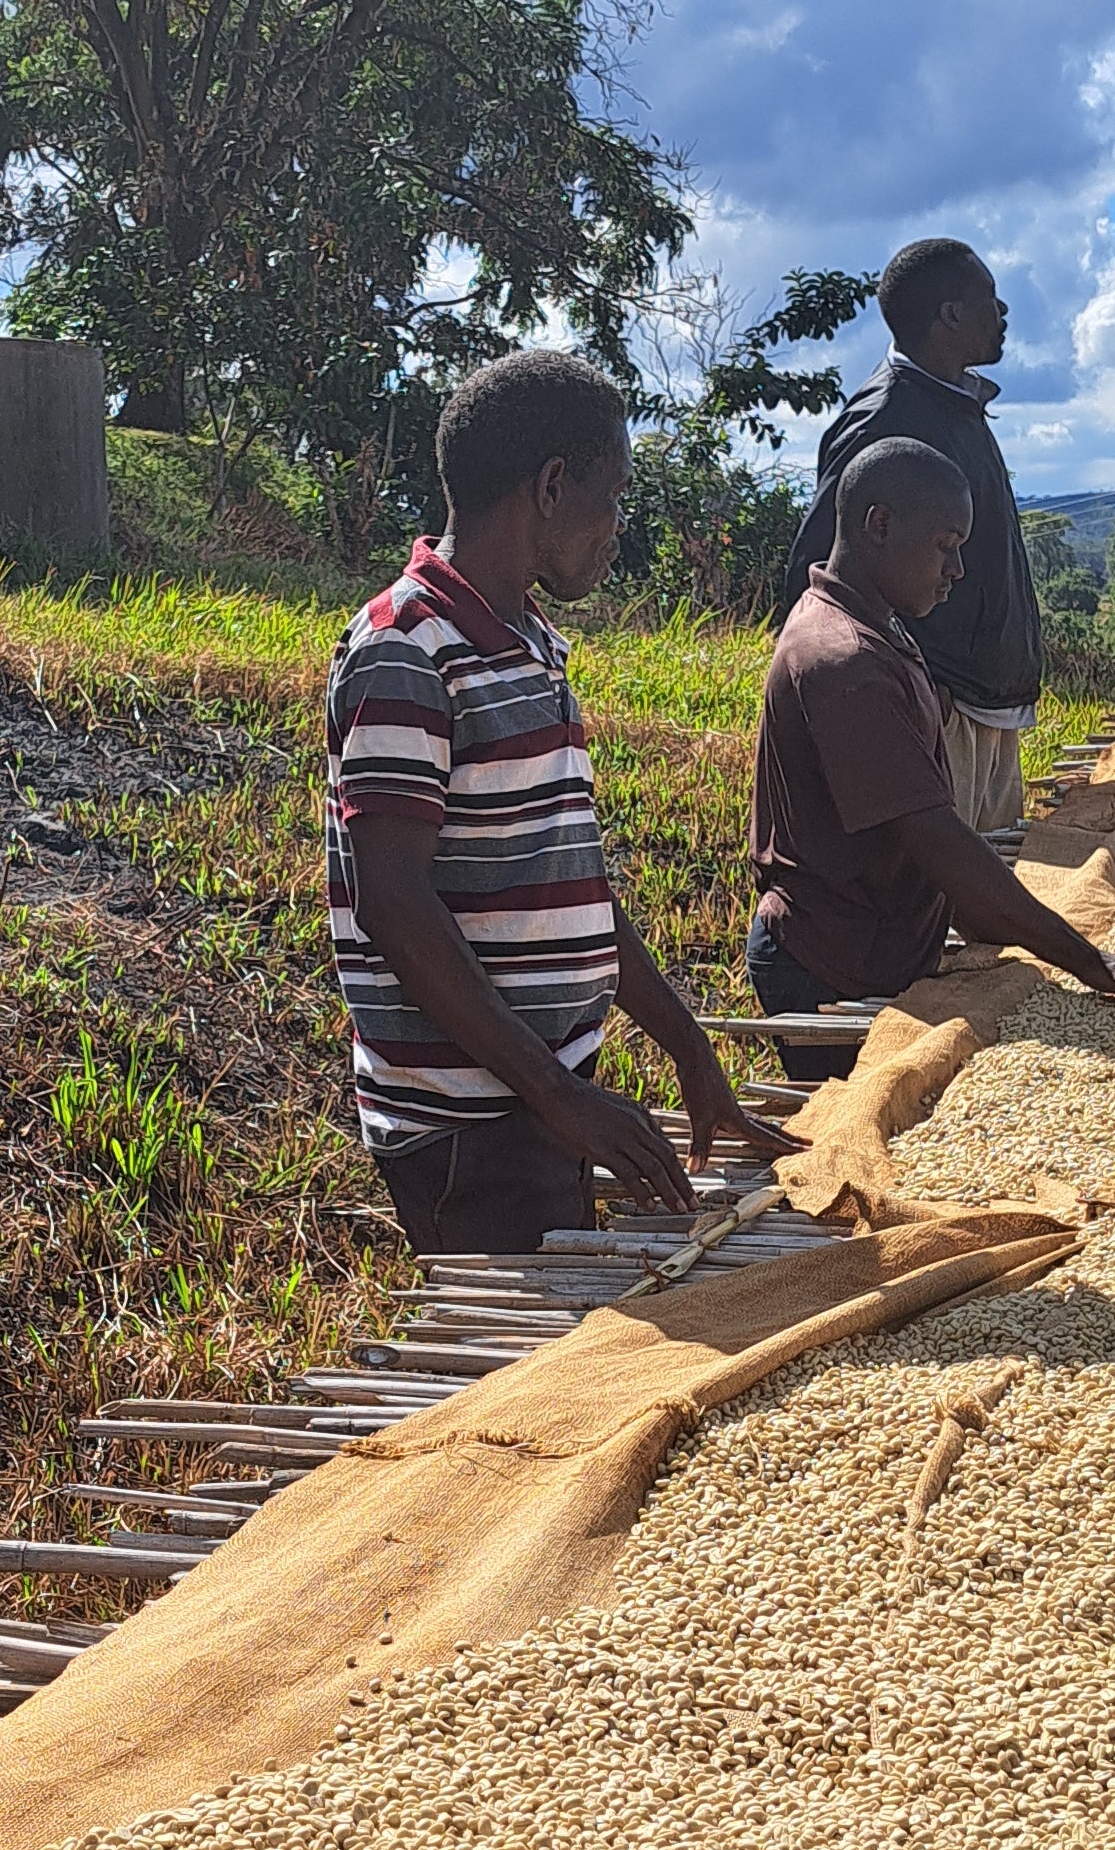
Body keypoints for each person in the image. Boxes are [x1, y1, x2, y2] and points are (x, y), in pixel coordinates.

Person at [327, 347, 789, 1254]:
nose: (617, 524)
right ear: (549, 487)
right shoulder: (405, 652)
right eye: (611, 496)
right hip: (469, 1125)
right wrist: (556, 1094)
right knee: (520, 1378)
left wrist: (688, 1051)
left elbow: (565, 883)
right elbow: (394, 903)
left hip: (539, 1101)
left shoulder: (530, 642)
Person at [752, 438, 1115, 1073]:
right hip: (832, 964)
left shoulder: (874, 623)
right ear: (878, 525)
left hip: (873, 941)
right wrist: (1087, 961)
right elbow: (935, 840)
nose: (957, 569)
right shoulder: (841, 660)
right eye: (944, 545)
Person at [789, 237, 1043, 835]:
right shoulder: (887, 417)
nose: (1003, 313)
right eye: (990, 298)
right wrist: (915, 688)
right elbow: (819, 575)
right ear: (950, 315)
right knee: (937, 900)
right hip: (941, 711)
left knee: (989, 904)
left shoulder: (954, 404)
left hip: (989, 710)